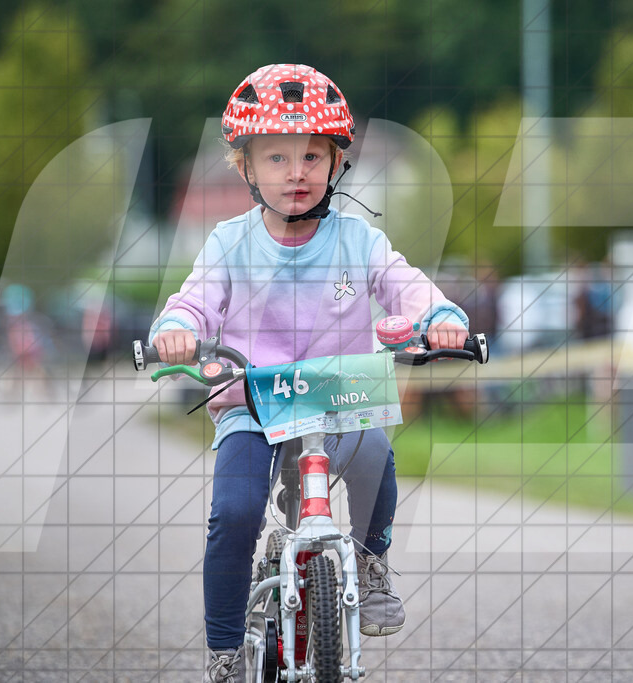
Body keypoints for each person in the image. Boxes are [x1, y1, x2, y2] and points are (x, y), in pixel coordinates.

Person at [147, 64, 469, 682]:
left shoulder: (358, 241)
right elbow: (192, 300)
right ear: (245, 166)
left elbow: (407, 287)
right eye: (276, 158)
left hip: (338, 397)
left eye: (312, 157)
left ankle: (371, 564)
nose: (296, 173)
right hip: (254, 401)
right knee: (234, 513)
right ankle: (221, 652)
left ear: (335, 163)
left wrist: (441, 316)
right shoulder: (227, 244)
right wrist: (175, 330)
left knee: (375, 450)